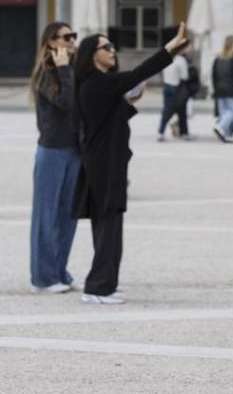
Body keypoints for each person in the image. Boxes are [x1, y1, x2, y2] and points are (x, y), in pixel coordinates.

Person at [71, 22, 189, 305]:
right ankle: (97, 288)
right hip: (105, 164)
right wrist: (169, 49)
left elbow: (116, 115)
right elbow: (138, 73)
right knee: (108, 225)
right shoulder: (97, 83)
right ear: (91, 54)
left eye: (113, 47)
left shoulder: (98, 85)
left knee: (109, 224)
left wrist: (131, 100)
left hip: (107, 160)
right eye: (106, 47)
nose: (113, 51)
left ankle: (105, 284)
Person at [28, 22, 80, 295]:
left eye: (73, 36)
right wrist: (62, 69)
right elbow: (66, 103)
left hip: (75, 150)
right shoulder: (47, 74)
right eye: (65, 37)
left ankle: (59, 270)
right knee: (45, 215)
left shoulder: (72, 70)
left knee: (68, 216)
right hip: (52, 151)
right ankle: (43, 277)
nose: (71, 41)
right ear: (50, 42)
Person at [157, 42, 192, 141]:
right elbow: (185, 76)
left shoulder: (166, 58)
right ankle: (184, 132)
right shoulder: (181, 60)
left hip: (166, 85)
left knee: (166, 110)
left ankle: (161, 131)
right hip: (177, 87)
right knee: (181, 110)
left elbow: (161, 73)